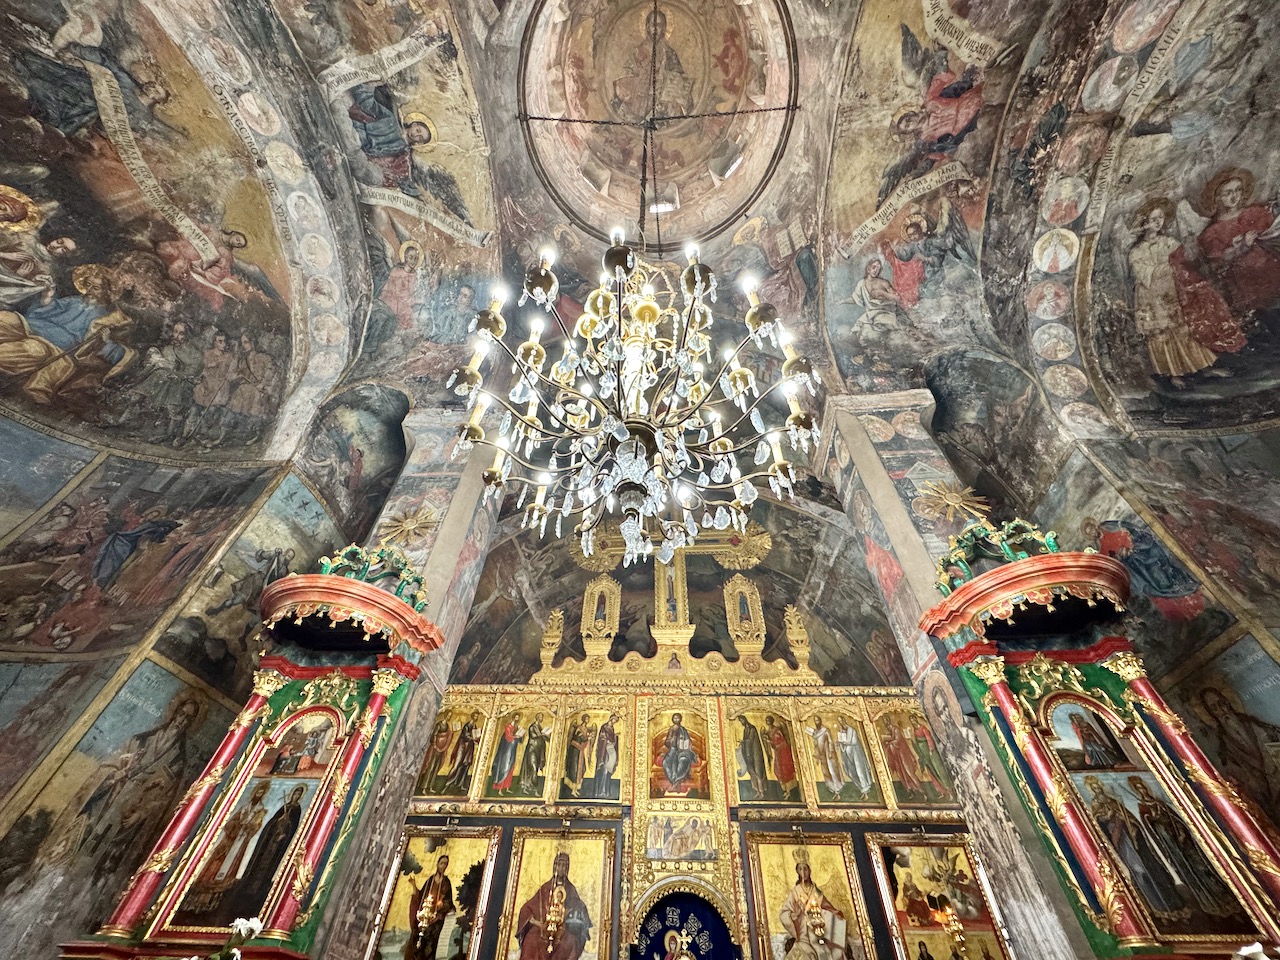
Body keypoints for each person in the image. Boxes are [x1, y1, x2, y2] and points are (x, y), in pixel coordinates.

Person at [1127, 197, 1234, 388]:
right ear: (1144, 223)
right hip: (1152, 298)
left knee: (1185, 328)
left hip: (1174, 291)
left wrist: (1189, 249)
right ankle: (1173, 373)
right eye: (1153, 219)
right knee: (1163, 334)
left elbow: (1185, 260)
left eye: (1160, 218)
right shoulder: (1137, 251)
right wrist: (1168, 265)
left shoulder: (1169, 242)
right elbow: (1144, 274)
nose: (1158, 222)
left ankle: (1203, 366)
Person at [1129, 776, 1238, 916]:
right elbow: (1150, 826)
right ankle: (1209, 903)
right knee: (1190, 873)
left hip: (1184, 842)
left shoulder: (1160, 803)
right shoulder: (1143, 808)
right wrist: (1154, 819)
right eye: (1139, 789)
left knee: (1204, 867)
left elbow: (1175, 819)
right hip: (1173, 846)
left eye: (1143, 787)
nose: (1143, 790)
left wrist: (1181, 831)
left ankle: (1227, 898)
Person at [1084, 776, 1184, 916]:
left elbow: (1130, 818)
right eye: (1094, 789)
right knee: (1137, 871)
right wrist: (1108, 817)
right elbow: (1098, 821)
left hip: (1132, 838)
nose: (1098, 790)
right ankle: (1155, 905)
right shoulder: (1096, 804)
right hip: (1120, 841)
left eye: (1098, 787)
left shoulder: (1114, 802)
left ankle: (1170, 903)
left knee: (1150, 867)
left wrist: (1131, 825)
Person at [220, 783, 308, 923]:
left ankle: (258, 895)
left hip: (277, 846)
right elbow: (271, 823)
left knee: (268, 869)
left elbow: (292, 827)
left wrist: (284, 833)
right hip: (267, 843)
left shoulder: (296, 809)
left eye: (298, 794)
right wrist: (276, 823)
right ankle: (244, 890)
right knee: (256, 865)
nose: (296, 796)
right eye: (295, 793)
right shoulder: (283, 807)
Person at [513, 851, 591, 960]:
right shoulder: (545, 888)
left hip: (562, 929)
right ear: (555, 866)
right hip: (544, 927)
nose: (561, 868)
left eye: (564, 865)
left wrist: (568, 913)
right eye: (559, 864)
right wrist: (536, 922)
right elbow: (529, 907)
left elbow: (578, 905)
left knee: (570, 941)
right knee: (531, 940)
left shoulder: (570, 889)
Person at [779, 855, 847, 960]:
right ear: (797, 871)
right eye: (800, 869)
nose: (803, 872)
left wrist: (836, 914)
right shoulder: (795, 892)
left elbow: (828, 908)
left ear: (809, 871)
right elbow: (784, 913)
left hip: (819, 934)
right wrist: (792, 915)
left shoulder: (816, 892)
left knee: (835, 954)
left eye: (805, 869)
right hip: (804, 937)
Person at [406, 854, 453, 960]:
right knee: (417, 940)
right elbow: (421, 897)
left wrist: (441, 906)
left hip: (436, 918)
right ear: (437, 864)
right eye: (442, 863)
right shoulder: (430, 881)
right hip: (424, 917)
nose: (443, 866)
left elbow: (448, 901)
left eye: (446, 864)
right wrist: (413, 885)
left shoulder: (446, 883)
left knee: (431, 944)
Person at [836, 715, 874, 799]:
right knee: (850, 772)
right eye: (839, 721)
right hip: (846, 754)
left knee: (859, 771)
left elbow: (853, 741)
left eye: (841, 720)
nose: (840, 723)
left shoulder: (851, 730)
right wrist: (839, 743)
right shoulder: (841, 731)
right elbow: (842, 743)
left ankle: (866, 792)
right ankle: (862, 789)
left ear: (844, 720)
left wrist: (844, 742)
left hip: (855, 754)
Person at [659, 713, 698, 795]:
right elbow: (666, 742)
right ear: (672, 720)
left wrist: (687, 746)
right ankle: (675, 782)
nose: (676, 720)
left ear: (680, 719)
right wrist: (670, 741)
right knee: (666, 762)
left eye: (677, 718)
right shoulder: (671, 730)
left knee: (682, 761)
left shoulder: (683, 730)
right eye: (674, 718)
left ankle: (676, 782)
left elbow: (688, 741)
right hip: (673, 750)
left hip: (683, 750)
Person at [443, 712, 482, 793]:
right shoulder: (467, 725)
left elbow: (475, 737)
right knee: (457, 765)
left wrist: (478, 738)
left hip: (469, 749)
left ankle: (460, 784)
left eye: (477, 716)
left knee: (466, 765)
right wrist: (472, 738)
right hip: (463, 748)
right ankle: (447, 784)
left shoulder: (474, 726)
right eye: (475, 716)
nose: (476, 717)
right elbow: (465, 735)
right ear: (472, 716)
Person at [763, 715, 798, 800]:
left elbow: (781, 741)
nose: (767, 721)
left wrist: (769, 741)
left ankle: (788, 790)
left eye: (768, 720)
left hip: (783, 751)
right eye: (766, 720)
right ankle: (785, 790)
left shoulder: (776, 730)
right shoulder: (769, 731)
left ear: (771, 721)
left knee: (784, 770)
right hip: (778, 752)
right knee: (777, 771)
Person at [807, 716, 844, 798]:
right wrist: (817, 756)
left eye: (817, 720)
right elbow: (816, 745)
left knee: (832, 771)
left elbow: (830, 741)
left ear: (820, 721)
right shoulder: (815, 733)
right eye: (815, 721)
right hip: (821, 755)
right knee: (825, 772)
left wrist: (831, 752)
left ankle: (837, 790)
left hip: (828, 753)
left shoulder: (825, 730)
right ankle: (832, 789)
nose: (816, 722)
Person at [489, 712, 524, 796]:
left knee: (511, 767)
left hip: (512, 750)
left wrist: (521, 734)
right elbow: (508, 737)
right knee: (504, 766)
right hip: (506, 751)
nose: (517, 719)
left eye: (518, 718)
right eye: (516, 717)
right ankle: (499, 789)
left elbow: (520, 741)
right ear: (513, 718)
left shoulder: (516, 727)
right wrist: (516, 736)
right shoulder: (508, 726)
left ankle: (507, 787)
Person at [563, 713, 596, 798]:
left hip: (580, 751)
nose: (588, 721)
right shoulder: (579, 728)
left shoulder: (585, 729)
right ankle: (573, 790)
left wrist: (589, 737)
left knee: (581, 770)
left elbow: (585, 739)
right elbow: (578, 738)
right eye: (587, 719)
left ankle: (575, 789)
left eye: (588, 719)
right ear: (584, 719)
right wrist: (588, 737)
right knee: (575, 769)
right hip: (575, 751)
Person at [737, 714, 768, 801]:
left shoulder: (752, 728)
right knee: (752, 771)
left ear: (745, 719)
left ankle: (761, 792)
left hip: (755, 753)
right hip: (749, 753)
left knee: (758, 771)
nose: (741, 722)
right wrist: (743, 743)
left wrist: (743, 742)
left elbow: (750, 740)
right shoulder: (745, 729)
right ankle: (757, 791)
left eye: (741, 720)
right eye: (740, 721)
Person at [589, 713, 619, 799]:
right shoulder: (604, 727)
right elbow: (601, 738)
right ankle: (600, 792)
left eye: (616, 721)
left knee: (608, 771)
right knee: (603, 771)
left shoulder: (612, 729)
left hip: (610, 752)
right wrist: (607, 741)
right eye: (614, 720)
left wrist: (615, 737)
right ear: (610, 719)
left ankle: (605, 791)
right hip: (604, 752)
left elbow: (612, 739)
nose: (614, 722)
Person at [520, 714, 550, 795]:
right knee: (532, 768)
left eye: (542, 717)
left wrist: (547, 736)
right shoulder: (532, 727)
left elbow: (546, 739)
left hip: (538, 751)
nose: (541, 719)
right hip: (532, 750)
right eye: (540, 717)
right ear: (537, 718)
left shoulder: (540, 727)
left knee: (535, 769)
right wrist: (543, 735)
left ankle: (530, 787)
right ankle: (534, 789)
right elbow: (534, 736)